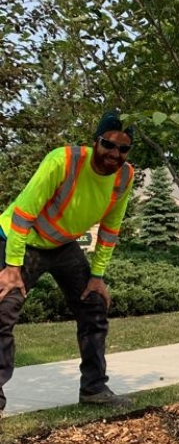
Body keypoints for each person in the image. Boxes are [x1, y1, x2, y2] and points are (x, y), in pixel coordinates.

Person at [0, 110, 136, 414]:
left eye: (123, 148)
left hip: (62, 245)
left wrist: (97, 275)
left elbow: (111, 229)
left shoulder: (125, 176)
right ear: (95, 141)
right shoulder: (63, 160)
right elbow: (23, 214)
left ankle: (94, 389)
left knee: (93, 304)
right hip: (20, 239)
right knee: (2, 312)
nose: (115, 154)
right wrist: (11, 268)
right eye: (109, 144)